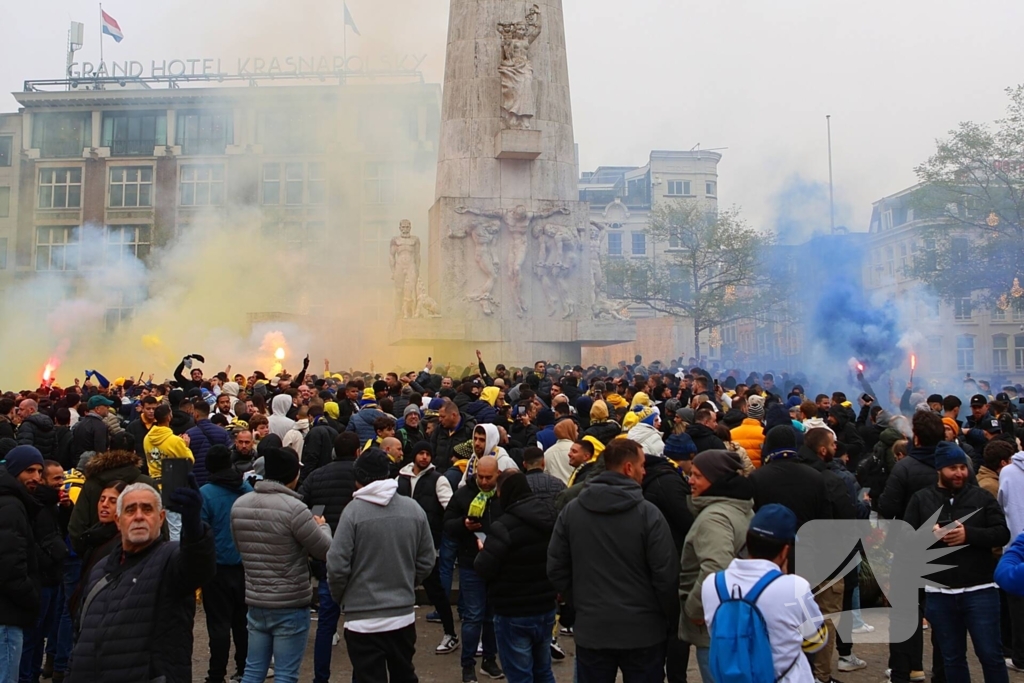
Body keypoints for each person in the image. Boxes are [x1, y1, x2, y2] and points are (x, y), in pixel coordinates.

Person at [547, 439, 678, 683]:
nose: (644, 471)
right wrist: (666, 617)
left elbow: (556, 567)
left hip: (593, 629)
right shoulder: (648, 514)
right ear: (628, 468)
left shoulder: (573, 511)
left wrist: (579, 602)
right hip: (643, 632)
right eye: (642, 465)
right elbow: (666, 575)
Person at [67, 482, 216, 683]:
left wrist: (193, 526)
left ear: (161, 517)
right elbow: (79, 638)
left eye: (147, 509)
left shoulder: (170, 558)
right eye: (130, 510)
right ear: (118, 521)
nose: (139, 516)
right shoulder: (100, 569)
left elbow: (198, 566)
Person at [904, 441, 1010, 683]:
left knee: (991, 656)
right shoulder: (921, 499)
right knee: (952, 659)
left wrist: (969, 534)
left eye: (963, 467)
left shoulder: (981, 497)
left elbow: (1001, 533)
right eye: (953, 467)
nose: (960, 473)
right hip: (939, 593)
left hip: (980, 590)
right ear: (940, 469)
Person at [328, 449, 436, 683]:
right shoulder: (413, 509)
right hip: (402, 615)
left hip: (362, 619)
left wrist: (344, 596)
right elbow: (427, 559)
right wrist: (407, 581)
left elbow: (337, 565)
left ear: (358, 477)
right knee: (404, 674)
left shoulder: (352, 513)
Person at [231, 447, 333, 683]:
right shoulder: (295, 509)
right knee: (286, 675)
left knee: (253, 670)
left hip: (256, 599)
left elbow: (240, 547)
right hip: (289, 601)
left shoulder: (240, 505)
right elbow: (325, 550)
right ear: (291, 475)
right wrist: (322, 525)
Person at [701, 504, 828, 683]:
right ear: (785, 549)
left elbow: (716, 632)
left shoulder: (712, 584)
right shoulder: (795, 587)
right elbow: (817, 640)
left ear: (747, 538)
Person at [678, 449, 754, 683]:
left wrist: (695, 609)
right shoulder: (739, 506)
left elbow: (716, 568)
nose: (690, 480)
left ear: (716, 479)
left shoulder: (714, 518)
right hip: (732, 619)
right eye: (691, 474)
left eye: (698, 476)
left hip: (714, 628)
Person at [474, 472, 558, 683]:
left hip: (514, 612)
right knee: (544, 670)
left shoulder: (503, 527)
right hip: (546, 606)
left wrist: (483, 551)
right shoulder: (550, 518)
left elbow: (484, 567)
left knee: (520, 675)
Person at [298, 431, 360, 683]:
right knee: (359, 626)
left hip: (326, 556)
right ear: (357, 451)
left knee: (326, 623)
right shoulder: (361, 476)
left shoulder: (317, 476)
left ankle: (320, 678)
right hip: (357, 558)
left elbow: (302, 505)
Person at [443, 455, 505, 683]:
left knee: (492, 616)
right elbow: (447, 524)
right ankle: (467, 666)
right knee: (473, 617)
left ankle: (489, 660)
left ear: (498, 474)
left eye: (489, 477)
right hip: (471, 563)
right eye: (481, 476)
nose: (485, 481)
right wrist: (464, 525)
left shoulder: (502, 495)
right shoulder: (463, 494)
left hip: (496, 564)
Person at [396, 441, 458, 655]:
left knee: (436, 591)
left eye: (427, 454)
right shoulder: (399, 479)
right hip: (402, 544)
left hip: (428, 544)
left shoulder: (438, 480)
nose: (424, 457)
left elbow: (449, 507)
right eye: (420, 453)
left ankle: (450, 633)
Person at [200, 445, 254, 683]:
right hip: (245, 566)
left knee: (218, 625)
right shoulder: (247, 490)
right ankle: (244, 670)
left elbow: (199, 534)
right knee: (243, 623)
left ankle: (216, 675)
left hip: (217, 568)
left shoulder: (205, 494)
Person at [19, 459, 68, 683]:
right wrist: (49, 557)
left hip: (52, 579)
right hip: (41, 581)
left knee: (40, 637)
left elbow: (61, 531)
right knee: (31, 638)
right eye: (56, 479)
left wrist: (67, 509)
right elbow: (30, 542)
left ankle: (34, 674)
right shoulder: (33, 505)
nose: (62, 483)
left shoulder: (53, 504)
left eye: (62, 478)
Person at [0, 446, 45, 683]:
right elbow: (9, 567)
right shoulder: (11, 505)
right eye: (30, 471)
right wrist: (32, 596)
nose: (36, 477)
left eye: (39, 471)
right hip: (7, 615)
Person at [67, 447, 157, 554]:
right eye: (102, 499)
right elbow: (161, 531)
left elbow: (76, 528)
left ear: (108, 450)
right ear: (134, 452)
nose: (105, 505)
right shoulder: (147, 483)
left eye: (113, 501)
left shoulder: (91, 483)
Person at [70, 395, 114, 463]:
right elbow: (100, 452)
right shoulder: (100, 426)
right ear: (97, 409)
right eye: (106, 406)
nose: (108, 408)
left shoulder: (79, 424)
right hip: (92, 466)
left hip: (79, 463)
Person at [542, 420, 577, 485]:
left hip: (555, 491)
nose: (577, 433)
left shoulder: (548, 453)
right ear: (570, 431)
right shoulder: (578, 451)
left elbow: (545, 473)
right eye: (575, 431)